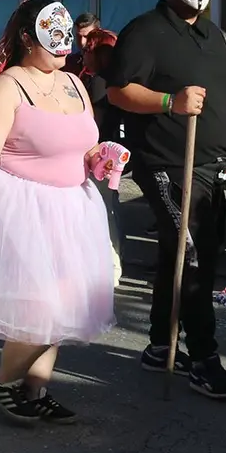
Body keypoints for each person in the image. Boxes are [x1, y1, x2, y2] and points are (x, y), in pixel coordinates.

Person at [104, 0, 226, 400]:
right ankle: (203, 359)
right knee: (192, 258)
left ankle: (161, 344)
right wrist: (168, 102)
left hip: (214, 166)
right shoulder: (145, 32)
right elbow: (118, 91)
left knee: (183, 259)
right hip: (168, 164)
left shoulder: (217, 37)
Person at [0, 0, 115, 423]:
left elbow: (83, 143)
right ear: (25, 38)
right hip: (22, 207)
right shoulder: (8, 86)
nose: (62, 47)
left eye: (65, 39)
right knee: (44, 308)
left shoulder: (75, 84)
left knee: (66, 306)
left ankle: (34, 392)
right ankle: (2, 380)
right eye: (50, 38)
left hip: (74, 206)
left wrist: (101, 156)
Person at [81, 27, 125, 285]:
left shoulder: (99, 82)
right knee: (110, 209)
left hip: (101, 155)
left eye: (88, 50)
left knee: (104, 211)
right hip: (112, 154)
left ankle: (112, 266)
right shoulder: (116, 79)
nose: (82, 54)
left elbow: (91, 125)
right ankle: (114, 263)